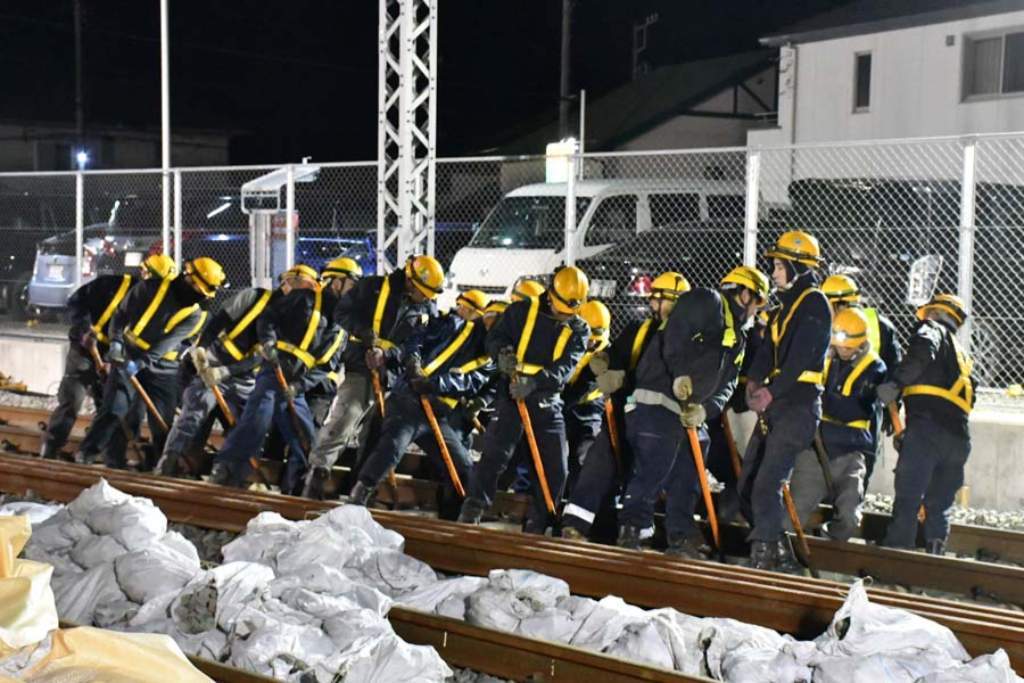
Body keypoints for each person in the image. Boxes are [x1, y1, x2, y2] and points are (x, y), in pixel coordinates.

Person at [620, 266, 768, 553]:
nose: (756, 312)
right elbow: (676, 334)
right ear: (745, 294)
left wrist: (706, 410)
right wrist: (680, 374)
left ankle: (682, 535)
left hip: (687, 415)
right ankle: (631, 531)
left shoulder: (736, 338)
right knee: (654, 469)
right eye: (757, 302)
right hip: (658, 404)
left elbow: (727, 385)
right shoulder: (705, 301)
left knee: (688, 476)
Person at [155, 264, 321, 477]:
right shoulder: (252, 297)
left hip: (245, 380)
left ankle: (230, 474)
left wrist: (225, 373)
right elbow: (219, 321)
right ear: (288, 281)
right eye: (302, 287)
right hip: (212, 365)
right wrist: (202, 349)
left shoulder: (294, 321)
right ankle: (169, 463)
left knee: (248, 427)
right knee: (193, 416)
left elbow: (260, 359)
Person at [560, 271, 689, 542]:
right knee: (599, 460)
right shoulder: (639, 329)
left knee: (649, 475)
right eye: (652, 298)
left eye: (660, 299)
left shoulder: (685, 338)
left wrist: (623, 379)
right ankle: (575, 524)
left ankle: (643, 533)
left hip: (659, 421)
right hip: (623, 412)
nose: (653, 305)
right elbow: (618, 355)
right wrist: (606, 363)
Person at [458, 266, 589, 533]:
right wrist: (502, 353)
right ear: (551, 294)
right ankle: (472, 510)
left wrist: (535, 384)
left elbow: (566, 367)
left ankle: (541, 524)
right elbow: (494, 337)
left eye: (569, 313)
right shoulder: (521, 311)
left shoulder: (579, 329)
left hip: (546, 401)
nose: (563, 316)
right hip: (512, 396)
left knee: (556, 468)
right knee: (495, 454)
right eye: (560, 309)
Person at [301, 255, 442, 499]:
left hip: (394, 378)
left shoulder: (426, 308)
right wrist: (363, 332)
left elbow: (419, 345)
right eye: (423, 292)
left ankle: (357, 491)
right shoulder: (372, 288)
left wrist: (388, 354)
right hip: (361, 368)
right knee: (345, 419)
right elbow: (342, 312)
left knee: (376, 436)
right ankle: (316, 476)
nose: (427, 298)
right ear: (411, 281)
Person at [72, 257, 224, 469]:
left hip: (162, 369)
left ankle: (160, 466)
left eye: (202, 294)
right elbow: (121, 315)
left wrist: (140, 363)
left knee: (162, 421)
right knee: (115, 409)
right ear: (187, 278)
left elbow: (164, 345)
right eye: (196, 289)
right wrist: (116, 342)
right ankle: (90, 453)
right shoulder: (149, 288)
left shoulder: (195, 315)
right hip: (127, 355)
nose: (197, 296)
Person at [347, 290, 493, 508]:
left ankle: (465, 516)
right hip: (408, 401)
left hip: (436, 412)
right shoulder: (445, 324)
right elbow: (414, 341)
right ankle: (358, 497)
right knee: (392, 446)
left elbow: (471, 382)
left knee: (462, 465)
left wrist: (434, 385)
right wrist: (411, 361)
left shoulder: (488, 355)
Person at [739, 230, 832, 571]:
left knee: (767, 482)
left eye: (779, 266)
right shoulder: (785, 308)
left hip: (798, 408)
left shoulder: (814, 304)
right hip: (779, 406)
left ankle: (763, 556)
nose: (774, 273)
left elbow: (798, 359)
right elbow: (767, 352)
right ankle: (780, 554)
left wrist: (770, 391)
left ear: (797, 267)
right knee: (748, 482)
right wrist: (753, 381)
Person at [210, 265, 346, 492]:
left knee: (305, 436)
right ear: (335, 282)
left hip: (296, 384)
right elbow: (269, 317)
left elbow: (325, 366)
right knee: (256, 420)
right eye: (350, 285)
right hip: (274, 371)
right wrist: (269, 343)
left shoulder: (342, 326)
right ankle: (226, 472)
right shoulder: (303, 299)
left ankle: (299, 488)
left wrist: (298, 386)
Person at [40, 254, 176, 459]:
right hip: (86, 350)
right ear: (144, 273)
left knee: (112, 406)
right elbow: (76, 302)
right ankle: (51, 447)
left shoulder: (159, 306)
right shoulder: (109, 285)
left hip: (117, 357)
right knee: (72, 398)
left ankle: (111, 458)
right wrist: (85, 329)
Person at [880, 293, 975, 554]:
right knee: (939, 503)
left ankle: (897, 557)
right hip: (959, 440)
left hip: (927, 431)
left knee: (909, 498)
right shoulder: (962, 356)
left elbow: (921, 353)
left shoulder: (931, 330)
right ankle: (934, 557)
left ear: (934, 313)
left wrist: (895, 384)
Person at [788, 307, 886, 541]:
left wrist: (821, 399)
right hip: (816, 447)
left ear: (861, 343)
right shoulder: (824, 355)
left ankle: (830, 547)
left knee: (850, 518)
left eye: (848, 346)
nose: (842, 349)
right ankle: (784, 553)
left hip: (851, 453)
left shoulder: (874, 367)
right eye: (839, 344)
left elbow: (851, 408)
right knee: (793, 514)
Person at [821, 273, 902, 483]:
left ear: (841, 303)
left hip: (864, 405)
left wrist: (892, 404)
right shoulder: (825, 323)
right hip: (828, 405)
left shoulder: (877, 325)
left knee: (860, 465)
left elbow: (894, 369)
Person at [305, 258, 364, 429]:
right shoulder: (309, 304)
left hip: (320, 385)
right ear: (337, 283)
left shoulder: (346, 315)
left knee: (307, 433)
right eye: (352, 286)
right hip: (297, 379)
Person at [562, 300, 611, 497]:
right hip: (564, 404)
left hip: (589, 410)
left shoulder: (604, 355)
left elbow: (585, 386)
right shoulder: (568, 341)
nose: (591, 344)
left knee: (584, 455)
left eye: (595, 339)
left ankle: (576, 504)